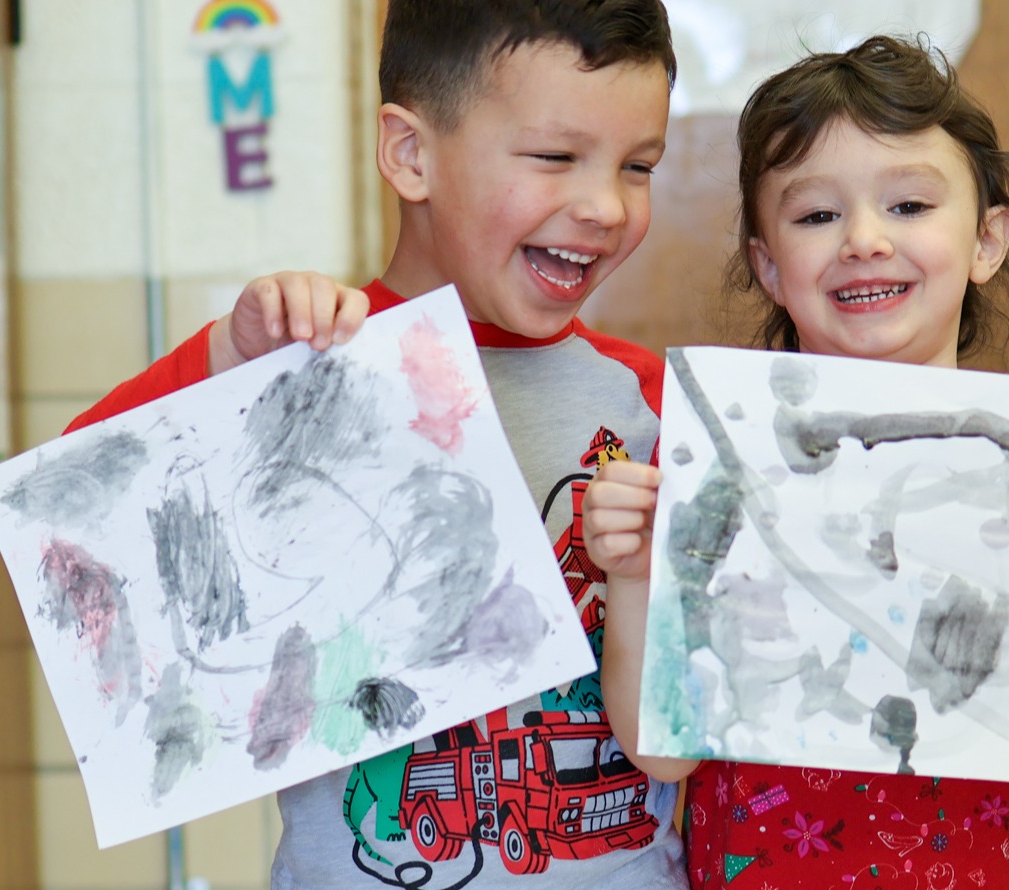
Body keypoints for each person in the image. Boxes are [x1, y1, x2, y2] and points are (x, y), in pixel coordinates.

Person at [582, 36, 1009, 889]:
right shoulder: (723, 475)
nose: (863, 239)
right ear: (768, 266)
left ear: (987, 239)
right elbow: (658, 755)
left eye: (908, 206)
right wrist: (639, 577)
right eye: (816, 216)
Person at [65, 1, 688, 887]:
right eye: (556, 157)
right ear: (410, 154)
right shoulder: (301, 366)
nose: (603, 206)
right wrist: (230, 359)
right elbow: (75, 529)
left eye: (640, 167)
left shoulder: (652, 404)